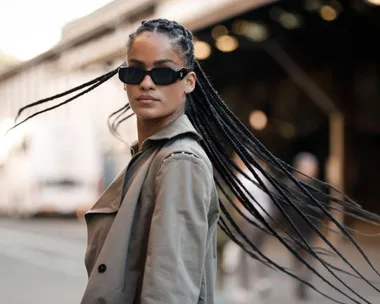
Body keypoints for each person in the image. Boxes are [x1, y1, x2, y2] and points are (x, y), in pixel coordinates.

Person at [9, 18, 380, 304]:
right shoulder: (150, 157)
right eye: (135, 70)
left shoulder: (179, 162)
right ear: (123, 79)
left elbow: (169, 291)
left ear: (188, 81)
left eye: (164, 72)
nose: (148, 82)